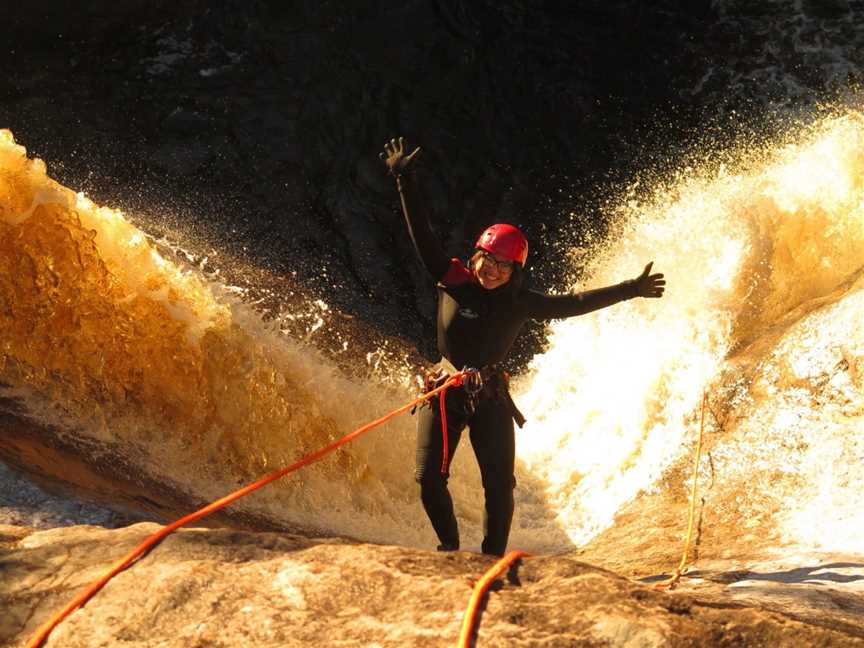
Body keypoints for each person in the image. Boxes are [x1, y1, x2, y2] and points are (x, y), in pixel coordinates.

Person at [380, 136, 665, 556]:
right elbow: (421, 234)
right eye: (487, 260)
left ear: (515, 271)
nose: (491, 271)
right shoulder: (453, 278)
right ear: (475, 255)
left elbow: (575, 304)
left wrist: (630, 289)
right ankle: (449, 548)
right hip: (446, 390)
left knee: (499, 484)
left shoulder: (519, 302)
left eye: (503, 266)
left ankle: (492, 556)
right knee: (427, 476)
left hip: (491, 394)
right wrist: (405, 179)